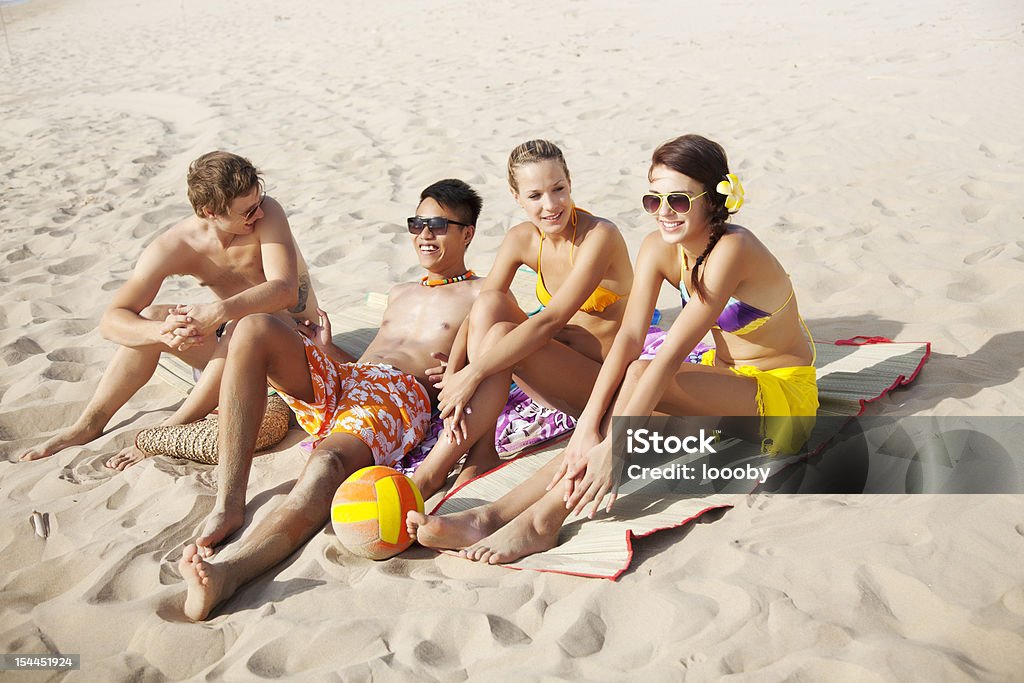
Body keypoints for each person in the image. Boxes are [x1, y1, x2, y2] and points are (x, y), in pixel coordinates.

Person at [410, 134, 818, 564]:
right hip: (723, 388)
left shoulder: (733, 248)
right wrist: (588, 427)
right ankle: (490, 516)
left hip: (780, 400)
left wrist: (614, 447)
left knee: (633, 395)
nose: (664, 213)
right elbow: (628, 338)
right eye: (653, 200)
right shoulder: (658, 248)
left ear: (712, 198)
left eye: (678, 201)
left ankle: (541, 523)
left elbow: (669, 355)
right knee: (606, 421)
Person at [178, 179, 484, 621]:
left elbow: (496, 358)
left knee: (326, 465)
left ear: (467, 233)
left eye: (437, 225)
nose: (424, 235)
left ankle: (229, 574)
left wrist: (461, 373)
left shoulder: (482, 293)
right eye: (417, 224)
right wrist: (328, 351)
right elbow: (372, 359)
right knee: (255, 326)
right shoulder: (400, 292)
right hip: (350, 376)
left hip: (399, 396)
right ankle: (229, 503)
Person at [17, 151, 320, 470]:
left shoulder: (268, 214)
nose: (257, 213)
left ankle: (171, 427)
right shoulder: (175, 246)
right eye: (247, 211)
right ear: (210, 212)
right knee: (152, 318)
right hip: (227, 353)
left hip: (296, 347)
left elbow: (284, 289)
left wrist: (218, 311)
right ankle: (90, 423)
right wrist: (163, 332)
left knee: (241, 324)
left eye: (258, 202)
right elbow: (111, 320)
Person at [406, 139, 633, 499]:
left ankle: (432, 473)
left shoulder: (599, 236)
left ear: (570, 182)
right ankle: (481, 454)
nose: (550, 205)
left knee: (499, 337)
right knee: (490, 306)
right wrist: (453, 371)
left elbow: (552, 319)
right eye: (535, 195)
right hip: (549, 372)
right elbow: (482, 306)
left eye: (558, 189)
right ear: (516, 197)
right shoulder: (521, 239)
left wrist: (473, 373)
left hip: (596, 382)